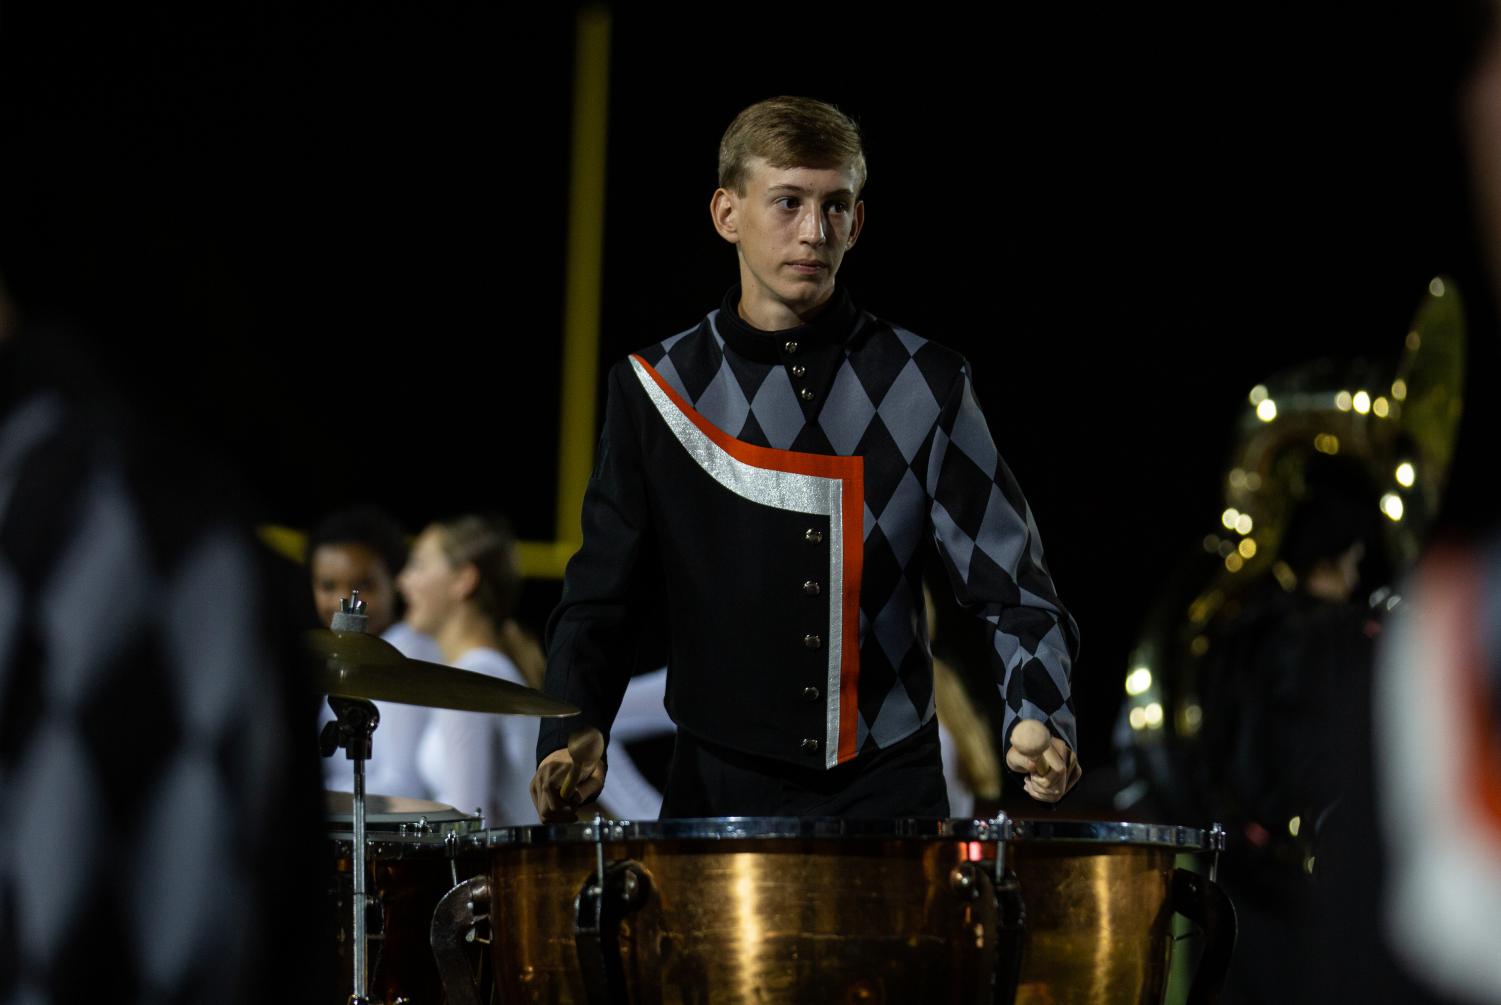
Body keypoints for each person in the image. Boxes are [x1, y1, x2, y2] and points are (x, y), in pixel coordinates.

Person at [533, 96, 1081, 821]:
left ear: (858, 222)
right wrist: (571, 727)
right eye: (788, 202)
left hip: (890, 783)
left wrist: (1040, 713)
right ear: (726, 214)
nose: (814, 232)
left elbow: (1014, 589)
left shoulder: (927, 382)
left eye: (835, 206)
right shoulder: (655, 388)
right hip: (716, 782)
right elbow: (601, 596)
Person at [396, 513, 541, 825]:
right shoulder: (485, 667)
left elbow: (467, 823)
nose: (403, 581)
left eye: (418, 565)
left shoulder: (473, 676)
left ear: (464, 580)